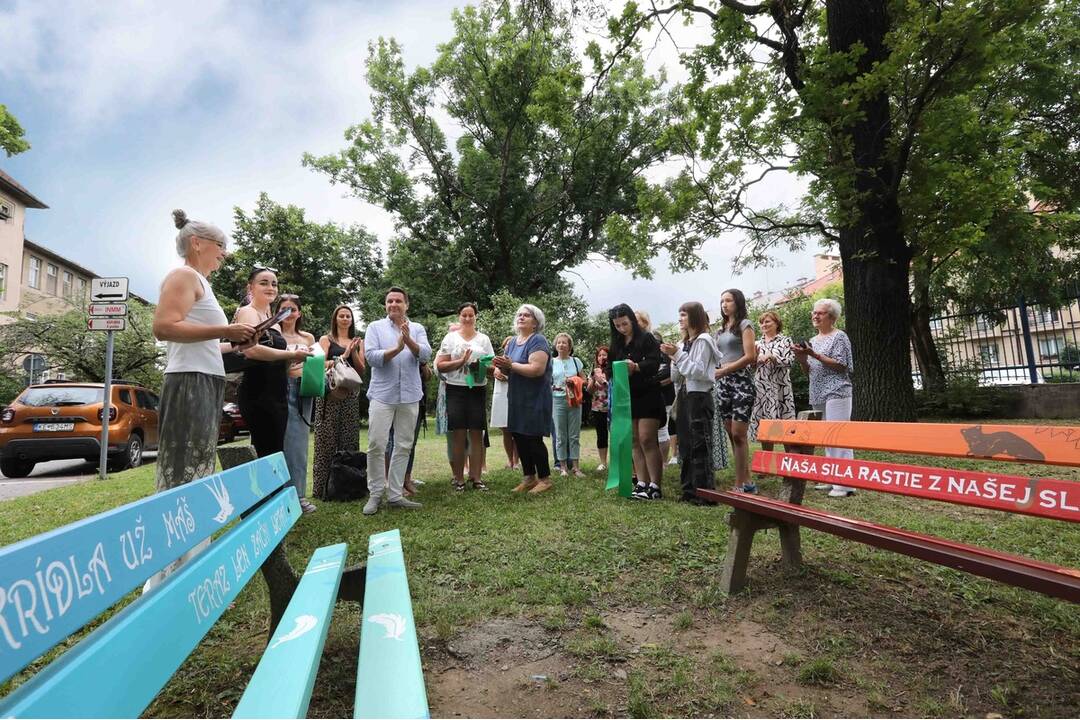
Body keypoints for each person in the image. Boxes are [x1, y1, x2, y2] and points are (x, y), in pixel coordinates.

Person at [148, 209, 255, 591]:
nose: (224, 254)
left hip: (208, 380)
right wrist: (226, 327)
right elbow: (163, 327)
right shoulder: (183, 276)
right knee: (182, 472)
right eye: (220, 246)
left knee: (199, 468)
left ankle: (193, 560)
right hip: (188, 383)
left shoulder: (201, 283)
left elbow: (200, 337)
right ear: (197, 244)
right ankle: (167, 573)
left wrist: (232, 342)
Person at [363, 287, 431, 514]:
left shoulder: (417, 328)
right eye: (390, 301)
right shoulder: (375, 327)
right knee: (376, 444)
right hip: (382, 395)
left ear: (406, 305)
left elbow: (425, 355)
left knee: (403, 445)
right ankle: (375, 494)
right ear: (385, 305)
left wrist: (409, 340)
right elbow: (371, 357)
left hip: (410, 394)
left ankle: (395, 494)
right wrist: (396, 349)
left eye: (398, 301)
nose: (394, 304)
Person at [233, 269, 313, 461]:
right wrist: (292, 353)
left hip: (278, 393)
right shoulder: (248, 312)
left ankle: (276, 491)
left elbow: (276, 360)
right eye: (264, 283)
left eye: (274, 284)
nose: (270, 287)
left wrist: (294, 360)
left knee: (276, 452)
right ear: (250, 287)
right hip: (258, 393)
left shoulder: (274, 323)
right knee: (266, 453)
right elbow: (251, 350)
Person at [793, 298, 856, 498]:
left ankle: (845, 484)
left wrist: (815, 354)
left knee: (839, 436)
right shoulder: (814, 340)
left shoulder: (840, 337)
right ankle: (831, 478)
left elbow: (842, 365)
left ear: (832, 317)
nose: (815, 315)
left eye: (820, 313)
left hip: (838, 390)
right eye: (814, 312)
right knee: (827, 438)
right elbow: (809, 371)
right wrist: (803, 359)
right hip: (818, 391)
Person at [661, 302, 721, 503]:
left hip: (700, 397)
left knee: (700, 444)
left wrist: (677, 355)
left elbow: (698, 372)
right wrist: (674, 357)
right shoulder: (683, 343)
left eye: (684, 315)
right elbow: (676, 376)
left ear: (694, 317)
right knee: (685, 445)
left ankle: (704, 493)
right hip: (685, 396)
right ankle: (688, 491)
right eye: (679, 315)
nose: (680, 319)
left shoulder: (704, 341)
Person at [492, 304, 554, 494]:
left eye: (527, 315)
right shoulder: (511, 343)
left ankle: (544, 479)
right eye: (519, 314)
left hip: (535, 397)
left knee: (532, 437)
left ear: (535, 323)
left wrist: (511, 365)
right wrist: (497, 367)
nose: (521, 317)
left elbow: (536, 369)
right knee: (518, 436)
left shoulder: (538, 341)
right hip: (517, 397)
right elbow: (508, 367)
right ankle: (529, 477)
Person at [607, 304, 666, 501]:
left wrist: (636, 367)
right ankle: (641, 482)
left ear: (632, 319)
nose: (622, 328)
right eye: (617, 325)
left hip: (648, 393)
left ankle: (655, 485)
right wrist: (605, 374)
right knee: (633, 441)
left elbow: (654, 363)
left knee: (647, 438)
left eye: (625, 323)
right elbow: (609, 368)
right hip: (626, 396)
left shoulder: (647, 338)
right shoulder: (616, 344)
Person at [436, 303, 495, 491]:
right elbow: (440, 366)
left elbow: (492, 369)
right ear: (459, 316)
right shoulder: (450, 338)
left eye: (471, 315)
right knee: (459, 434)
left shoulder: (484, 339)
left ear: (476, 317)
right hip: (455, 389)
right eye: (464, 315)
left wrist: (479, 367)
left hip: (477, 389)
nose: (468, 318)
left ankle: (476, 478)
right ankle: (459, 478)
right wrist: (460, 362)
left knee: (477, 433)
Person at [311, 305, 365, 499]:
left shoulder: (358, 341)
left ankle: (348, 488)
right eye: (341, 316)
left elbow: (361, 369)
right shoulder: (326, 340)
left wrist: (354, 351)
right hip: (329, 391)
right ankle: (321, 490)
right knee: (325, 440)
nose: (344, 318)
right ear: (335, 319)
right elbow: (320, 363)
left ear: (352, 320)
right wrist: (342, 356)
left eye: (348, 316)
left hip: (350, 392)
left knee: (349, 439)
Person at [714, 289, 758, 492]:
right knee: (731, 433)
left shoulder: (745, 325)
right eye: (722, 301)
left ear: (738, 302)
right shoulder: (721, 329)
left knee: (739, 434)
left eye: (728, 300)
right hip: (723, 384)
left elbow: (750, 356)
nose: (724, 304)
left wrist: (725, 370)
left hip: (741, 382)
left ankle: (742, 483)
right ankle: (745, 480)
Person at [278, 294, 318, 514]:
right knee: (280, 444)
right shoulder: (273, 335)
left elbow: (315, 365)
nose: (288, 313)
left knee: (299, 445)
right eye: (283, 309)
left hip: (304, 389)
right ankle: (279, 496)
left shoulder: (308, 337)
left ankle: (298, 496)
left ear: (299, 313)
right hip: (280, 389)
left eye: (292, 309)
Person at [750, 310, 796, 447]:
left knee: (786, 428)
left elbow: (790, 361)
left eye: (767, 321)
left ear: (776, 323)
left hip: (780, 388)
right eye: (761, 322)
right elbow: (750, 368)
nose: (763, 324)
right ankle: (767, 461)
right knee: (765, 429)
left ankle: (790, 460)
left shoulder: (785, 340)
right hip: (761, 389)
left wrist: (772, 357)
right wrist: (754, 361)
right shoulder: (756, 343)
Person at [551, 332, 586, 477]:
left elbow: (584, 379)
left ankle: (576, 467)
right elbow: (546, 381)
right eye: (559, 342)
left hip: (574, 401)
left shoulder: (576, 361)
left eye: (564, 342)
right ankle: (563, 467)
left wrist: (575, 382)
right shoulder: (551, 362)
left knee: (574, 435)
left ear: (570, 346)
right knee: (560, 434)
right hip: (557, 399)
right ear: (555, 345)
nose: (561, 345)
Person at [490, 335, 519, 469]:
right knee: (505, 429)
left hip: (515, 395)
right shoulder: (496, 360)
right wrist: (495, 370)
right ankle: (510, 460)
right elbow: (487, 369)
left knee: (517, 430)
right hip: (500, 395)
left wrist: (507, 378)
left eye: (511, 344)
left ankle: (517, 460)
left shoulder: (519, 359)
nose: (508, 346)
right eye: (506, 344)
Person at [653, 329, 676, 463]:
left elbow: (673, 376)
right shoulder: (649, 356)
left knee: (664, 429)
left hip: (667, 396)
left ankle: (664, 461)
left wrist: (656, 383)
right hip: (654, 396)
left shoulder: (667, 356)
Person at [586, 346, 610, 472]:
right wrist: (594, 381)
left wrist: (605, 380)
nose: (602, 357)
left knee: (616, 434)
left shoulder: (613, 369)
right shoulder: (594, 371)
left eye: (604, 355)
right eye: (599, 355)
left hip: (613, 407)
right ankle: (603, 462)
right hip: (598, 408)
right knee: (601, 435)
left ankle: (618, 460)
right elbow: (589, 391)